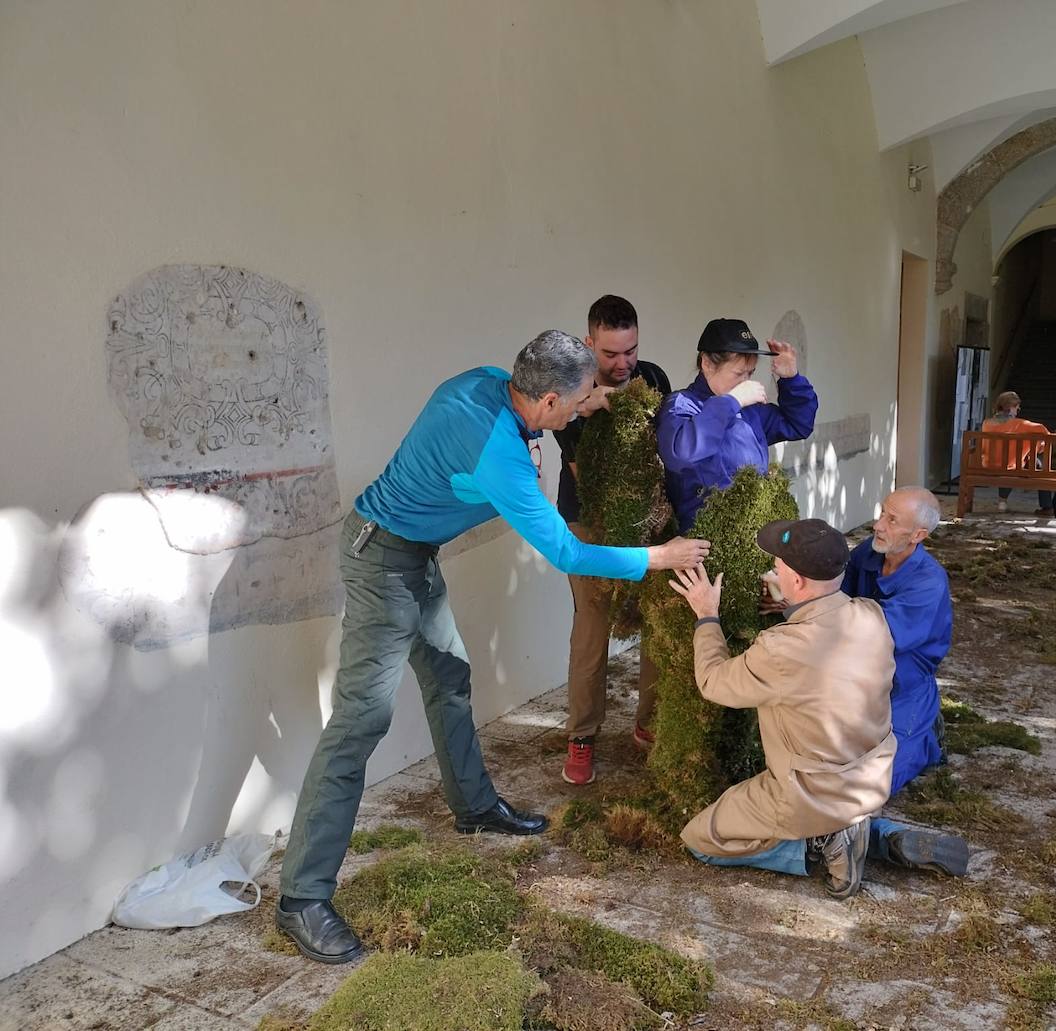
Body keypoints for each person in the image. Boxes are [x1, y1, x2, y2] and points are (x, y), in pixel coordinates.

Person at [275, 331, 710, 964]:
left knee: (451, 675)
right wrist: (658, 556)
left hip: (410, 555)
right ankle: (302, 899)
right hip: (383, 563)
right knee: (360, 722)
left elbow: (537, 416)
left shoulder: (486, 380)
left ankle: (474, 808)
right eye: (580, 400)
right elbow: (567, 551)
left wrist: (578, 407)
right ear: (548, 397)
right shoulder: (498, 456)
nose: (584, 409)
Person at [669, 519, 969, 901]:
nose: (774, 568)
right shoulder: (871, 615)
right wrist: (791, 610)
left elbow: (713, 682)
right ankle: (872, 832)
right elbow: (820, 649)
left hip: (811, 792)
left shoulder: (779, 647)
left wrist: (707, 615)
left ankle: (821, 843)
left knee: (700, 839)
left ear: (796, 581)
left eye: (778, 565)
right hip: (872, 779)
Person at [552, 296, 671, 786]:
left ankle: (649, 724)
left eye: (631, 351)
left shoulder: (655, 380)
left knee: (657, 622)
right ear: (588, 343)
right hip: (588, 521)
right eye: (610, 354)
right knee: (592, 628)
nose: (623, 364)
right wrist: (587, 409)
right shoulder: (568, 393)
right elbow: (588, 480)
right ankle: (582, 737)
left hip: (651, 518)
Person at [842, 487, 952, 794]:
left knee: (874, 784)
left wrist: (806, 607)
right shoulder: (870, 551)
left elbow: (875, 633)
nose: (878, 525)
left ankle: (926, 735)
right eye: (881, 514)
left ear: (918, 535)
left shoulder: (928, 583)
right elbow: (836, 596)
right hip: (857, 674)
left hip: (902, 683)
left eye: (892, 520)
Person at [658, 318, 817, 530]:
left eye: (750, 373)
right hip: (702, 540)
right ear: (706, 364)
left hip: (751, 534)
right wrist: (731, 402)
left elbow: (799, 424)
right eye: (738, 373)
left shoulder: (749, 409)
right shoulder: (681, 406)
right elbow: (682, 455)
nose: (745, 382)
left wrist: (791, 379)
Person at [979, 391, 1053, 516]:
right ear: (1011, 407)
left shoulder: (986, 423)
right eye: (1017, 407)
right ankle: (1047, 506)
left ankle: (1002, 502)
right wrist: (1038, 447)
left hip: (988, 464)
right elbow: (1045, 432)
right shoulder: (1020, 424)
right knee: (1037, 464)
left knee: (1007, 460)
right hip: (1011, 466)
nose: (1018, 409)